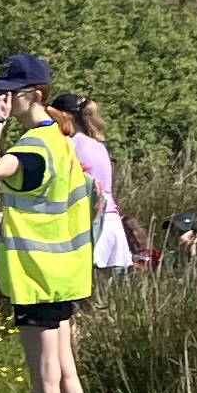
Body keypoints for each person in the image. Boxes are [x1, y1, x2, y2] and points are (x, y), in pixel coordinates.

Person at [0, 52, 95, 393]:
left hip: (37, 277)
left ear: (37, 95)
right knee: (65, 372)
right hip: (64, 274)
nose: (4, 98)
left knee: (45, 378)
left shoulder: (33, 147)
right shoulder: (59, 139)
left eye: (13, 92)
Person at [50, 90, 134, 298]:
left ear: (64, 116)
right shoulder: (98, 145)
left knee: (81, 297)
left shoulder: (70, 146)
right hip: (110, 219)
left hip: (91, 222)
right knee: (106, 297)